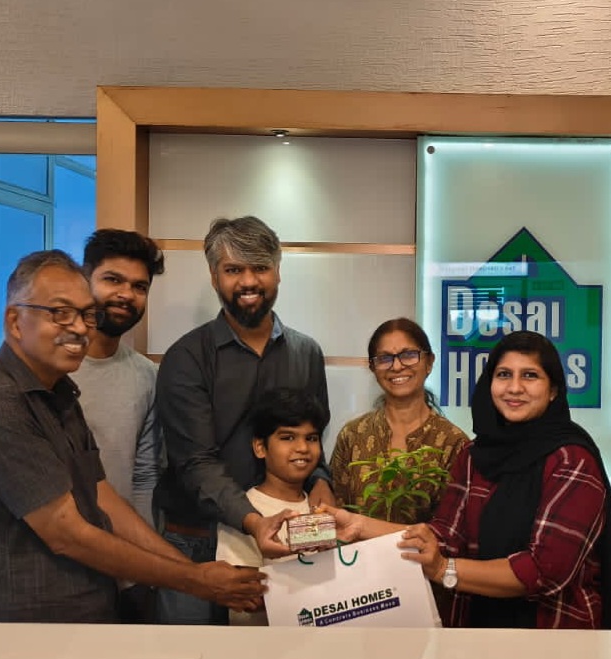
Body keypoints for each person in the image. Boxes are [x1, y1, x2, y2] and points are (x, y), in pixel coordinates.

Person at [0, 249, 266, 636]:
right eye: (60, 313)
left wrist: (192, 571)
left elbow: (101, 495)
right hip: (19, 630)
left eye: (86, 314)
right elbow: (67, 534)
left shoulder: (61, 393)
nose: (80, 328)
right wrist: (195, 581)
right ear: (15, 321)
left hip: (86, 616)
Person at [325, 330, 611, 630]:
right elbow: (444, 537)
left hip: (553, 636)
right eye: (504, 374)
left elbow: (543, 571)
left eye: (530, 376)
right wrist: (358, 525)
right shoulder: (475, 456)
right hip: (476, 635)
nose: (514, 387)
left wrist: (444, 568)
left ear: (553, 390)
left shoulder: (572, 459)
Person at [154, 215, 333, 625]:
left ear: (278, 272)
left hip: (286, 537)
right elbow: (195, 461)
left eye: (260, 268)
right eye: (234, 270)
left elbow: (312, 436)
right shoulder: (186, 358)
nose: (249, 281)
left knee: (284, 649)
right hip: (197, 542)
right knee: (189, 652)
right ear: (214, 276)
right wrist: (254, 522)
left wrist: (322, 480)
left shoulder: (306, 353)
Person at [70, 229, 164, 623]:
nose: (126, 294)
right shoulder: (51, 369)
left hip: (126, 571)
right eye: (113, 280)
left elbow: (144, 476)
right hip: (60, 566)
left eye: (139, 286)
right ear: (85, 279)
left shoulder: (146, 375)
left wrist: (142, 567)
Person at [330, 317, 469, 524]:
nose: (396, 366)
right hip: (357, 546)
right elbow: (337, 513)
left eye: (409, 355)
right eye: (384, 358)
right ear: (373, 368)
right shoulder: (353, 434)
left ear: (429, 362)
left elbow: (453, 527)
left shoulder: (453, 442)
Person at [216, 387, 328, 625]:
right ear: (260, 447)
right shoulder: (245, 513)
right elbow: (247, 599)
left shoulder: (322, 506)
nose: (302, 448)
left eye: (311, 438)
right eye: (287, 438)